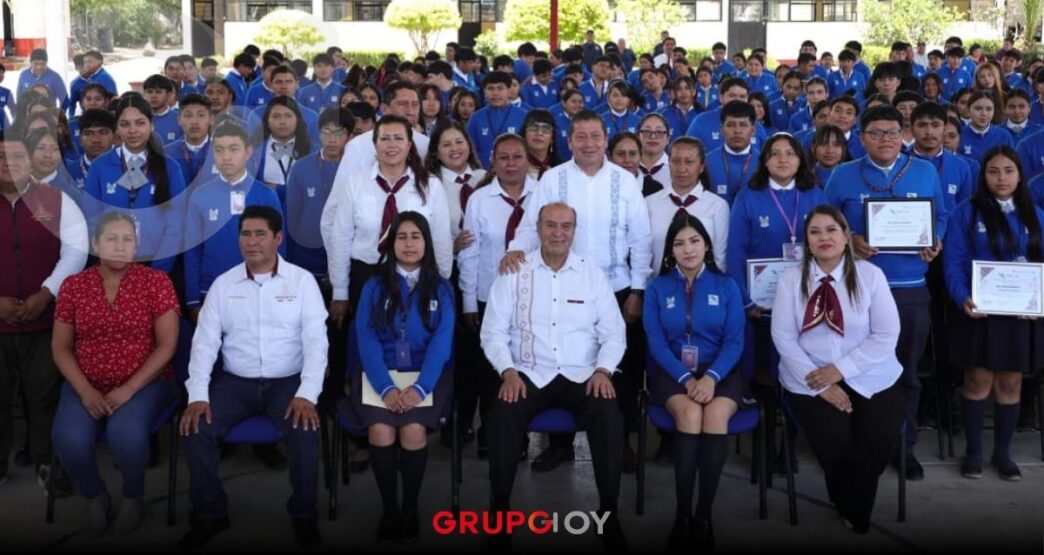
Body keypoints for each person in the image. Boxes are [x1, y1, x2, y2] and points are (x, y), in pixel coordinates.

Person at [500, 110, 652, 475]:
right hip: (560, 284)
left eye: (595, 136)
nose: (588, 143)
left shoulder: (626, 181)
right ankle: (560, 446)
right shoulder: (553, 179)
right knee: (562, 360)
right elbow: (530, 226)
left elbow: (641, 239)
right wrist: (514, 251)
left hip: (615, 288)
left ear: (605, 139)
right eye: (580, 137)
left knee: (622, 370)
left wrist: (638, 289)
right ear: (569, 142)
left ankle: (621, 441)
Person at [481, 201, 629, 551]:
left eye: (566, 226)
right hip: (529, 373)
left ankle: (609, 514)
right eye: (551, 225)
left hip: (583, 375)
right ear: (538, 228)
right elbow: (493, 333)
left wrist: (604, 370)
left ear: (574, 231)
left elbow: (613, 333)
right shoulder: (515, 271)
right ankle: (500, 510)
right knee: (502, 413)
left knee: (608, 414)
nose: (558, 233)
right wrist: (508, 371)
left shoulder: (591, 272)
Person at [179, 206, 327, 548]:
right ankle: (211, 513)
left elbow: (317, 343)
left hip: (287, 381)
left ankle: (304, 515)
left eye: (260, 234)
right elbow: (204, 344)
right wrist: (198, 394)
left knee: (306, 430)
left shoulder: (302, 282)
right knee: (196, 427)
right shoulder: (223, 285)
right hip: (236, 383)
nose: (252, 241)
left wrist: (308, 394)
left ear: (277, 238)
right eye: (245, 234)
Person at [825, 105, 949, 481]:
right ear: (861, 137)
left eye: (893, 132)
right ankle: (857, 444)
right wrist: (850, 240)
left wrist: (935, 240)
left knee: (905, 374)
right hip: (856, 291)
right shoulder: (842, 175)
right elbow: (825, 223)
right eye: (876, 133)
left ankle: (902, 446)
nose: (885, 140)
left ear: (903, 134)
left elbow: (941, 215)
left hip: (910, 289)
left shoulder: (925, 171)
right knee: (855, 371)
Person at [770, 204, 904, 534]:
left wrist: (841, 370)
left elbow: (886, 334)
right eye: (815, 232)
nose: (823, 237)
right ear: (807, 242)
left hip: (872, 375)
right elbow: (783, 337)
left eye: (831, 230)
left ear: (846, 236)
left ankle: (851, 503)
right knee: (835, 441)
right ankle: (853, 506)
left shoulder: (871, 275)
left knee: (876, 441)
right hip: (810, 377)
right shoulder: (791, 280)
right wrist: (822, 383)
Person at [50, 212, 179, 537]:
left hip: (145, 382)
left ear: (136, 246)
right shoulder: (74, 286)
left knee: (126, 434)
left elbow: (167, 345)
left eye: (127, 240)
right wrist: (84, 391)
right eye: (111, 239)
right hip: (86, 382)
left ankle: (133, 498)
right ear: (96, 244)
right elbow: (61, 347)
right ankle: (95, 497)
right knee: (69, 438)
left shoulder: (156, 282)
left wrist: (129, 389)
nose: (120, 247)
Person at [348, 211, 455, 541]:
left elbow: (442, 342)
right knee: (380, 431)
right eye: (402, 237)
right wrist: (386, 388)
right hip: (380, 378)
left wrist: (420, 388)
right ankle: (390, 511)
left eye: (416, 237)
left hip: (426, 378)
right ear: (391, 243)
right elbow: (365, 339)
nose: (409, 244)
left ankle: (410, 509)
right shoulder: (374, 286)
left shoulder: (441, 288)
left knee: (412, 430)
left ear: (427, 243)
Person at [644, 212, 745, 549]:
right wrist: (687, 378)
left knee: (714, 415)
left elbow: (734, 341)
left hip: (722, 371)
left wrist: (712, 377)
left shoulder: (727, 285)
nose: (688, 249)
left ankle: (704, 516)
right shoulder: (657, 288)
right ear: (670, 251)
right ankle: (682, 515)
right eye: (679, 243)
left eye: (694, 241)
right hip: (673, 372)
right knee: (689, 414)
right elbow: (656, 341)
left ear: (707, 246)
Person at [727, 133, 828, 472]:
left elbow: (828, 248)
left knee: (799, 376)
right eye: (775, 154)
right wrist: (744, 300)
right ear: (765, 160)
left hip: (805, 306)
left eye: (790, 153)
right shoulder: (749, 196)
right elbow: (736, 252)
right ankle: (763, 444)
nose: (783, 159)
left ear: (801, 159)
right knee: (763, 378)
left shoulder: (814, 194)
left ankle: (789, 447)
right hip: (760, 307)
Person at [943, 146, 1044, 481]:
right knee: (978, 379)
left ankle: (1003, 453)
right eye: (993, 171)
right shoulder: (966, 213)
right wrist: (962, 298)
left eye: (1008, 171)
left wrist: (1037, 301)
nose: (1001, 178)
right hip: (979, 311)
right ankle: (973, 452)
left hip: (1020, 316)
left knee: (1011, 381)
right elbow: (954, 262)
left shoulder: (1036, 215)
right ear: (983, 176)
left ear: (1020, 175)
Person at [0, 130, 88, 491]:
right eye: (2, 157)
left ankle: (44, 459)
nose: (9, 164)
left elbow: (75, 251)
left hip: (46, 319)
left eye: (17, 157)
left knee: (43, 394)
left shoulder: (57, 200)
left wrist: (46, 293)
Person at [325, 114, 453, 330]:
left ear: (410, 144)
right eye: (384, 139)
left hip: (416, 277)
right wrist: (340, 291)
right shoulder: (355, 183)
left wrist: (441, 283)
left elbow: (441, 237)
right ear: (375, 144)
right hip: (366, 275)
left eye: (398, 138)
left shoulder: (430, 185)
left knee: (412, 339)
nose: (391, 145)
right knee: (367, 340)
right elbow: (340, 238)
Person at [183, 120, 284, 314]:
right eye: (219, 150)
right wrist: (193, 299)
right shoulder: (200, 195)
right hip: (211, 290)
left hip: (259, 290)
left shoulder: (265, 195)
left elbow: (280, 247)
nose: (226, 157)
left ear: (248, 152)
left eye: (233, 149)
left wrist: (278, 289)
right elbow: (192, 251)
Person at [83, 95, 188, 272]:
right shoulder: (99, 167)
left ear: (151, 125)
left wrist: (157, 271)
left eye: (140, 123)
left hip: (158, 265)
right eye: (125, 124)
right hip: (112, 265)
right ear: (116, 128)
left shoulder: (170, 167)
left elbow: (176, 225)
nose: (133, 131)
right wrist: (111, 262)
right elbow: (92, 219)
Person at [646, 137, 729, 272]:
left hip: (704, 286)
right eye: (676, 161)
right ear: (669, 163)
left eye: (689, 162)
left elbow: (720, 257)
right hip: (658, 286)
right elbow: (644, 253)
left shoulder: (717, 206)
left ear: (701, 167)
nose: (682, 168)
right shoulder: (649, 203)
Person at [426, 120, 485, 254]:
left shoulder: (485, 178)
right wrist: (451, 248)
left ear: (469, 146)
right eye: (446, 145)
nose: (454, 149)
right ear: (436, 153)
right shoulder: (430, 186)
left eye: (459, 142)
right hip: (449, 266)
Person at [253, 95, 315, 203]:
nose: (282, 121)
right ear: (267, 121)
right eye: (276, 116)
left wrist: (279, 189)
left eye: (288, 116)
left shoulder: (313, 150)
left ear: (297, 120)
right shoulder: (254, 150)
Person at [704, 101, 760, 206]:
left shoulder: (764, 162)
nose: (737, 131)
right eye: (731, 125)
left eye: (743, 125)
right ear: (721, 130)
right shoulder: (706, 162)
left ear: (753, 130)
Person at [163, 93, 215, 186]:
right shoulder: (166, 153)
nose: (194, 122)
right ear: (179, 119)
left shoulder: (223, 152)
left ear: (211, 119)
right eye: (188, 115)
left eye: (201, 115)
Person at [960, 91, 1014, 161]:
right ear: (968, 109)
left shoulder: (1004, 136)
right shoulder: (959, 135)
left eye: (989, 109)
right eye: (978, 108)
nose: (984, 114)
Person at [67, 51, 117, 119]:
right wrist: (71, 118)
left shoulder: (104, 77)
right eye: (85, 62)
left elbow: (113, 100)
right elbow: (72, 103)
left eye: (90, 62)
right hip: (88, 117)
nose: (87, 65)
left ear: (100, 62)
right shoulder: (75, 83)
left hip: (103, 118)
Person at [521, 109, 560, 181]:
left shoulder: (561, 169)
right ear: (524, 134)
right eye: (533, 128)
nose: (539, 133)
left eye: (546, 129)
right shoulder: (515, 167)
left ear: (552, 138)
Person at [637, 113, 671, 192]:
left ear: (668, 139)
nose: (653, 137)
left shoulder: (677, 169)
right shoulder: (627, 167)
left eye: (659, 132)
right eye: (647, 131)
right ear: (638, 137)